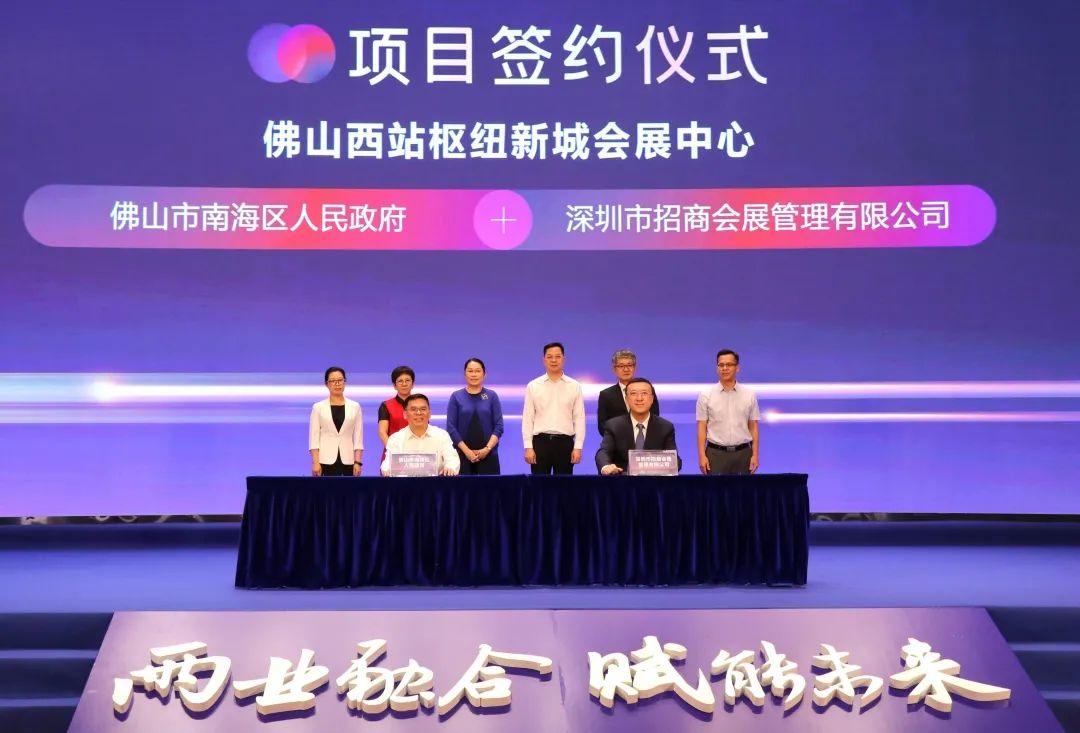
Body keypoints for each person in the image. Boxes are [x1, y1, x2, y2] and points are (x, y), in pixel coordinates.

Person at [522, 342, 585, 475]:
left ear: (563, 359)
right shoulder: (533, 386)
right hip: (540, 443)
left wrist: (578, 447)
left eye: (558, 356)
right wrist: (528, 446)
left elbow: (579, 418)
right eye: (550, 357)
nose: (554, 360)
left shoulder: (574, 386)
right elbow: (528, 418)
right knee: (539, 485)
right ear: (544, 360)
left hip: (565, 443)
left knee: (564, 485)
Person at [596, 378, 680, 474]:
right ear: (626, 399)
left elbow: (674, 459)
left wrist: (669, 465)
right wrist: (606, 466)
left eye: (644, 393)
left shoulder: (665, 427)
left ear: (652, 399)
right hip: (623, 479)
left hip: (654, 480)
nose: (639, 398)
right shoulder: (614, 426)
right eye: (633, 393)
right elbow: (603, 453)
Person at [696, 349, 760, 475]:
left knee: (743, 488)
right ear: (717, 368)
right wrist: (702, 456)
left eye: (729, 364)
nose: (725, 368)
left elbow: (753, 427)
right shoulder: (705, 395)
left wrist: (755, 454)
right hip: (715, 455)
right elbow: (702, 427)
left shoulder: (749, 395)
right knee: (714, 489)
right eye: (721, 365)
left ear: (737, 368)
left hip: (743, 454)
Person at [446, 358, 504, 475]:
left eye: (477, 371)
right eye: (470, 371)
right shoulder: (456, 396)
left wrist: (487, 449)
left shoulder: (492, 396)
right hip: (462, 455)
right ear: (465, 374)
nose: (474, 374)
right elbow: (451, 427)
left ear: (484, 374)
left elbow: (499, 426)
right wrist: (467, 451)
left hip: (489, 455)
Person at [380, 394, 460, 476]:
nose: (418, 413)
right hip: (404, 483)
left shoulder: (441, 435)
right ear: (405, 414)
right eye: (413, 409)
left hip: (436, 483)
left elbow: (452, 459)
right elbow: (386, 465)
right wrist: (389, 470)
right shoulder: (396, 439)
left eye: (423, 409)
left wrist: (450, 468)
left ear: (429, 413)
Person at [308, 366, 363, 476]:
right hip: (325, 460)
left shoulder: (355, 406)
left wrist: (358, 462)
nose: (337, 384)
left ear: (344, 382)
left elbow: (358, 437)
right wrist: (315, 462)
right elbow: (314, 437)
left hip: (348, 460)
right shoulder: (318, 407)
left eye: (340, 380)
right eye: (333, 381)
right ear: (327, 384)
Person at [596, 349, 661, 436]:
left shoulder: (647, 390)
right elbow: (602, 425)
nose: (626, 369)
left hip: (645, 440)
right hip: (616, 442)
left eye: (629, 365)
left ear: (635, 368)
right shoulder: (606, 395)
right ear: (614, 369)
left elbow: (655, 418)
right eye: (621, 366)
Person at [378, 366, 414, 460]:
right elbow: (382, 432)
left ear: (412, 384)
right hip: (393, 454)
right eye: (400, 381)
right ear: (394, 385)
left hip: (417, 454)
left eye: (407, 380)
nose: (404, 384)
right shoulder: (386, 405)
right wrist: (393, 451)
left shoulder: (420, 404)